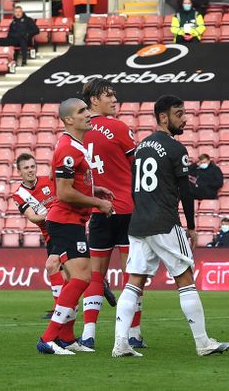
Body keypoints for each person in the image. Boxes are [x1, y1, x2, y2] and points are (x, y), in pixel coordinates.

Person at [112, 94, 229, 358]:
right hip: (165, 221)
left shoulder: (141, 147)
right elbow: (186, 191)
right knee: (185, 279)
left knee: (134, 282)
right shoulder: (177, 150)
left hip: (139, 222)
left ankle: (120, 342)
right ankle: (203, 343)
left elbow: (134, 188)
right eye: (179, 113)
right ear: (163, 117)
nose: (185, 118)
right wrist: (190, 226)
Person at [36, 98, 115, 355]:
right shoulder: (69, 149)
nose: (88, 114)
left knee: (74, 278)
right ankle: (48, 338)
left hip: (70, 221)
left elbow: (54, 179)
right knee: (82, 278)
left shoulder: (73, 146)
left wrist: (94, 188)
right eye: (82, 111)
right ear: (69, 119)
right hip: (66, 221)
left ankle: (67, 338)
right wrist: (97, 203)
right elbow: (64, 193)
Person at [79, 79, 139, 350]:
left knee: (95, 275)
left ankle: (89, 334)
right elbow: (136, 166)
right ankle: (133, 334)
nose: (114, 99)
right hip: (125, 208)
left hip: (96, 210)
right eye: (108, 95)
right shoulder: (119, 127)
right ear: (93, 100)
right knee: (132, 274)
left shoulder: (77, 131)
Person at [11, 153, 63, 318]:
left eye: (33, 166)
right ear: (19, 171)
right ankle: (95, 282)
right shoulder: (19, 194)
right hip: (50, 234)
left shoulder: (48, 180)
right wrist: (52, 213)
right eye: (26, 168)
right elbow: (33, 217)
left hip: (64, 227)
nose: (31, 170)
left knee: (52, 266)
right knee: (66, 273)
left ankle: (59, 309)